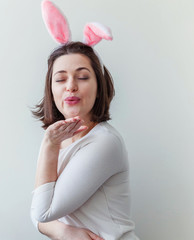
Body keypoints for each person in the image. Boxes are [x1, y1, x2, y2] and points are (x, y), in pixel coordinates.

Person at [30, 41, 139, 240]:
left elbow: (41, 212)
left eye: (82, 77)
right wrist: (64, 232)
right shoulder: (58, 139)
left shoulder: (104, 143)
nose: (71, 86)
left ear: (99, 87)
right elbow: (37, 208)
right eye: (61, 79)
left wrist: (49, 145)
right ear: (51, 91)